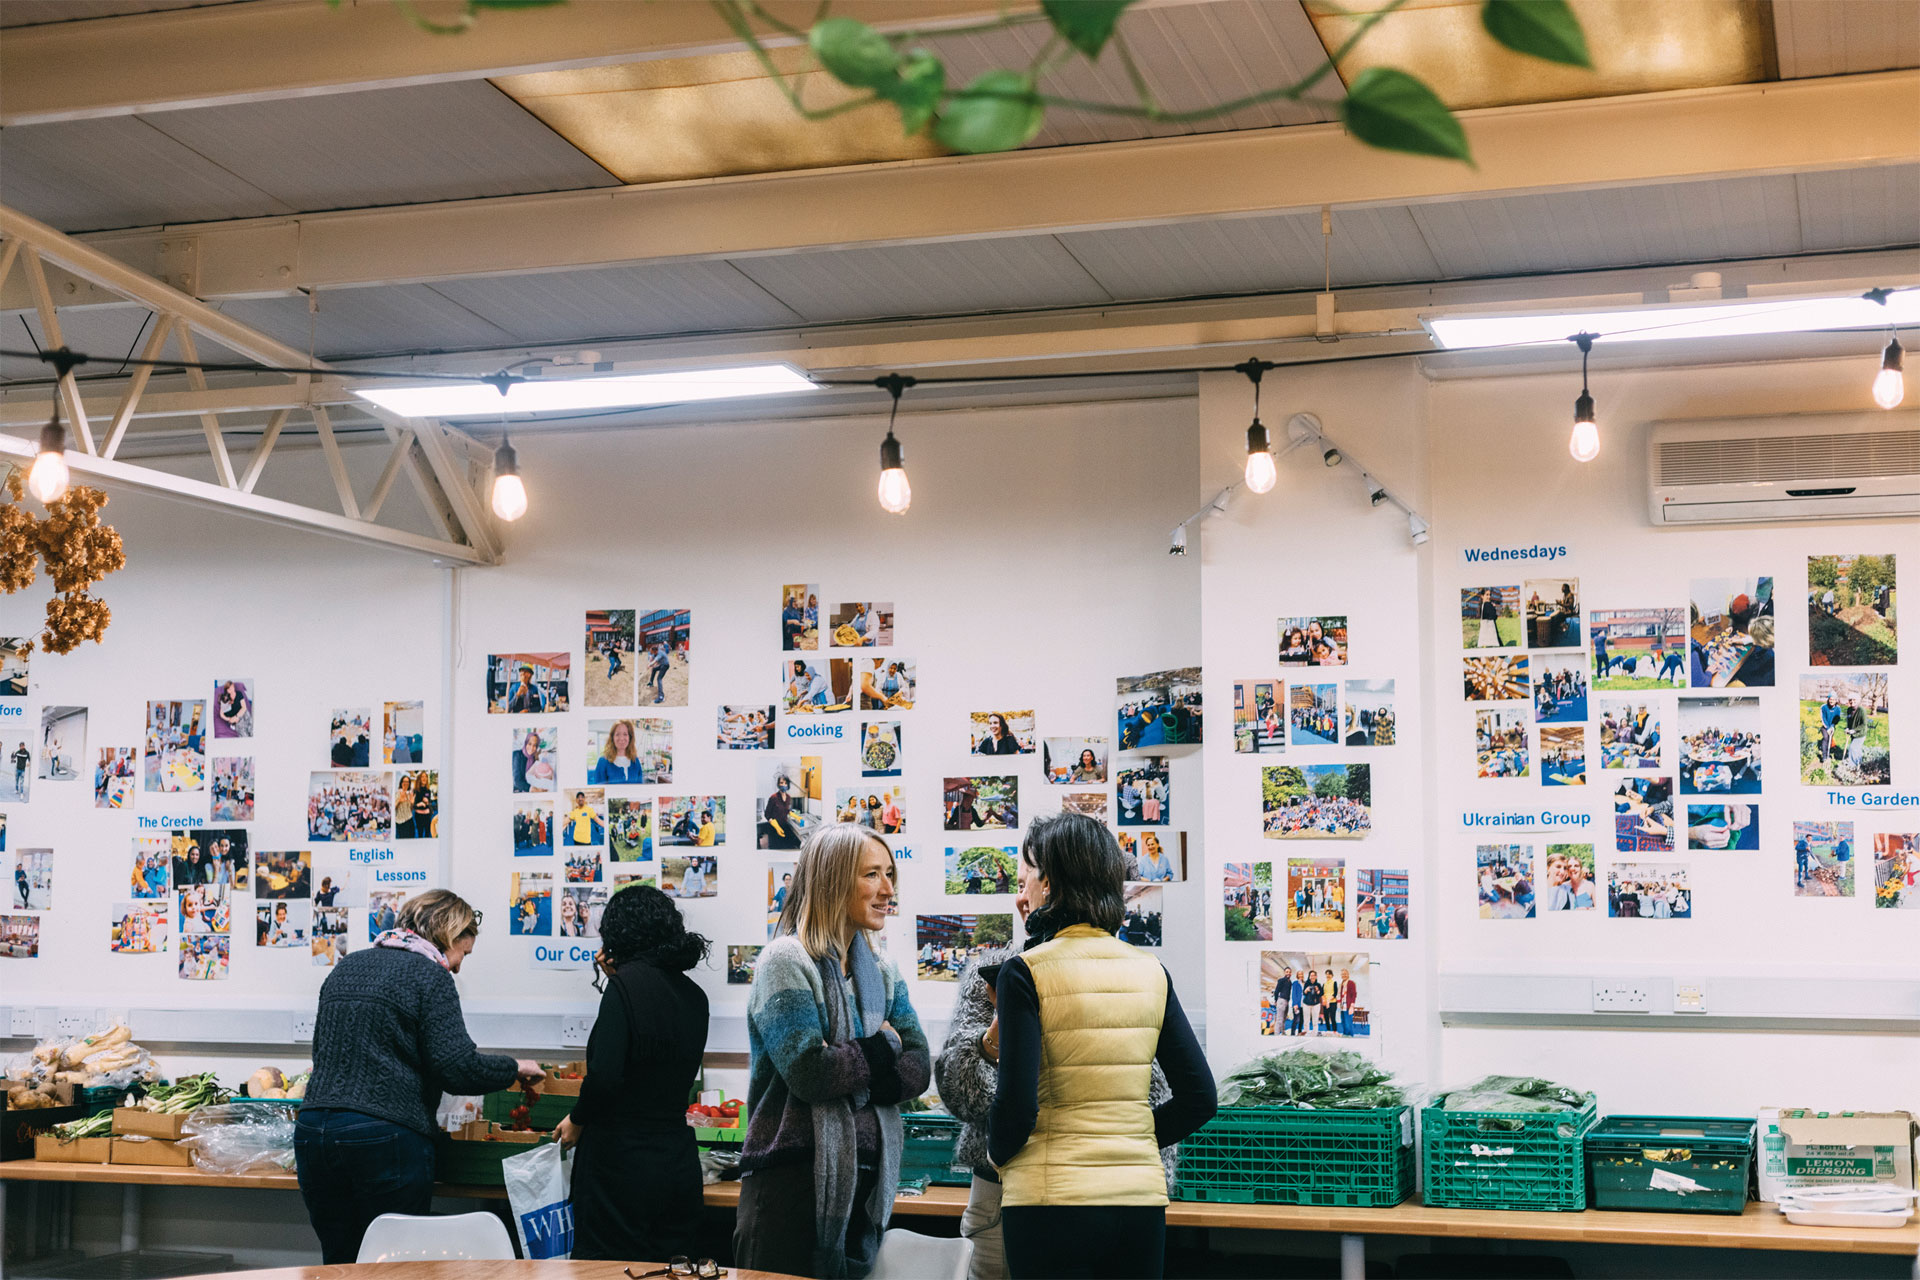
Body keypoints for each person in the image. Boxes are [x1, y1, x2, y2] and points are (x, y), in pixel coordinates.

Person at [937, 827, 1186, 1280]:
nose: (1021, 890)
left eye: (1025, 877)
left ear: (1049, 883)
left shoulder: (1030, 974)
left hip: (1045, 1195)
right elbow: (958, 1089)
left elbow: (1018, 1109)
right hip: (1133, 1197)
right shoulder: (1150, 971)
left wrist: (1002, 1152)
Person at [296, 891, 543, 1264]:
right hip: (384, 1138)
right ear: (447, 935)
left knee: (340, 1262)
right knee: (395, 1265)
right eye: (464, 952)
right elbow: (457, 1068)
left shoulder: (347, 966)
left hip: (314, 1133)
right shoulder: (431, 976)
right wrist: (515, 1067)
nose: (458, 966)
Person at [736, 824, 929, 1279]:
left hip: (864, 1182)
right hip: (791, 1182)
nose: (887, 890)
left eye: (889, 874)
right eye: (871, 875)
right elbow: (811, 1074)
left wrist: (854, 1060)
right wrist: (885, 1044)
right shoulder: (785, 961)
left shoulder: (882, 970)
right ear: (832, 880)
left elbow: (919, 1066)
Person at [553, 885, 710, 1258]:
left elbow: (606, 1078)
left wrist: (577, 1118)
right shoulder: (694, 996)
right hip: (677, 1162)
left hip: (621, 1166)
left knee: (609, 1270)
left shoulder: (623, 988)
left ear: (618, 935)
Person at [590, 719, 645, 784]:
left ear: (630, 737)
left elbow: (640, 788)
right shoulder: (603, 762)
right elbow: (600, 791)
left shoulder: (636, 761)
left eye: (625, 734)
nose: (621, 738)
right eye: (617, 734)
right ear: (612, 738)